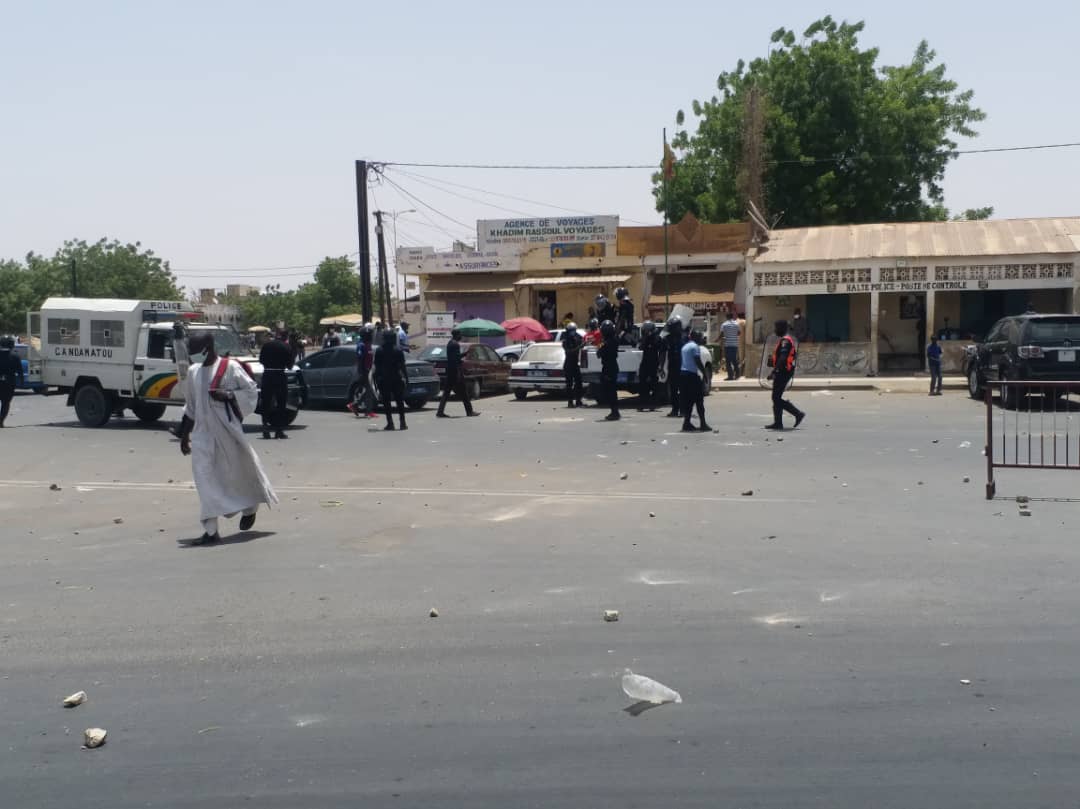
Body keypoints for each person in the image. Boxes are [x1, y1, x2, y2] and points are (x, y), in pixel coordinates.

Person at [177, 332, 278, 544]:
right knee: (204, 480)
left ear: (208, 348)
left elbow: (250, 392)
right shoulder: (194, 372)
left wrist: (229, 395)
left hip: (227, 432)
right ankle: (211, 531)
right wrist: (184, 435)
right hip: (202, 436)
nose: (193, 356)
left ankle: (250, 507)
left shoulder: (229, 367)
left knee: (238, 473)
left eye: (196, 351)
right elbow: (191, 407)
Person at [765, 320, 805, 431]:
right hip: (783, 371)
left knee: (776, 398)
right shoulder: (785, 340)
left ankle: (798, 413)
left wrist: (774, 371)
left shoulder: (785, 341)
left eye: (776, 327)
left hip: (783, 372)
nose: (775, 330)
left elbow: (783, 358)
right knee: (776, 397)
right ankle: (778, 423)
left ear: (782, 328)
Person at [436, 328, 479, 418]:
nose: (461, 336)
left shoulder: (450, 343)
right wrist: (466, 354)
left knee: (447, 393)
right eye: (460, 335)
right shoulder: (455, 344)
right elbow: (456, 359)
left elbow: (454, 357)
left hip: (451, 371)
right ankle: (469, 411)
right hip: (455, 371)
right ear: (457, 335)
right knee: (464, 393)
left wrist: (463, 355)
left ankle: (440, 412)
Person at [258, 331, 293, 440]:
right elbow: (290, 365)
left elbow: (261, 360)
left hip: (268, 375)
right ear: (285, 337)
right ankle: (279, 430)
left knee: (266, 403)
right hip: (279, 375)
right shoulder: (286, 347)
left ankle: (265, 429)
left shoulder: (266, 346)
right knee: (281, 403)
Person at [374, 329, 408, 430]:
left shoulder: (380, 350)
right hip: (396, 378)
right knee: (399, 401)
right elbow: (402, 366)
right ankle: (402, 423)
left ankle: (390, 423)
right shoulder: (398, 350)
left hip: (384, 379)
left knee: (387, 402)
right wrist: (406, 377)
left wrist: (376, 380)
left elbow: (377, 367)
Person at [680, 329, 711, 432]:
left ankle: (686, 423)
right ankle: (703, 424)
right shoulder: (695, 347)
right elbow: (697, 360)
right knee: (699, 400)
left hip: (683, 375)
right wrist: (704, 374)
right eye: (700, 337)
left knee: (689, 401)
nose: (702, 339)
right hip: (691, 376)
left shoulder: (685, 346)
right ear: (696, 337)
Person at [349, 325, 377, 418]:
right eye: (369, 334)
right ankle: (365, 409)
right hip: (364, 371)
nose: (371, 336)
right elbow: (360, 358)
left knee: (368, 391)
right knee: (369, 391)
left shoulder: (368, 344)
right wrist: (362, 371)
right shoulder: (361, 345)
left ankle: (357, 406)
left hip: (369, 370)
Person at [660, 315, 685, 418]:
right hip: (673, 366)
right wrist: (661, 367)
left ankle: (683, 410)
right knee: (674, 390)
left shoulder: (685, 338)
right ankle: (675, 410)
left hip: (683, 367)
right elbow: (662, 354)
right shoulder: (666, 339)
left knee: (683, 390)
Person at [598, 320, 620, 421]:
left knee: (610, 391)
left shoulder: (606, 342)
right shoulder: (614, 340)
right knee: (611, 390)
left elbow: (599, 354)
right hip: (612, 367)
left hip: (608, 368)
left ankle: (614, 412)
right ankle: (614, 411)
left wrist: (601, 343)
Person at [636, 320, 661, 412]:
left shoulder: (657, 338)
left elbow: (661, 349)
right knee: (642, 384)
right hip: (645, 363)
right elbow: (640, 347)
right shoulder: (643, 338)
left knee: (654, 385)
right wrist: (646, 338)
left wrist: (660, 366)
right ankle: (642, 404)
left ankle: (653, 404)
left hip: (654, 363)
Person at [0, 336, 25, 428]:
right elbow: (20, 372)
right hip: (9, 383)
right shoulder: (15, 357)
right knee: (5, 403)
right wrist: (22, 383)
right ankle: (1, 421)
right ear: (12, 345)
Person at [561, 323, 584, 408]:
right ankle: (570, 402)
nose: (573, 332)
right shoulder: (565, 339)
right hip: (568, 364)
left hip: (575, 364)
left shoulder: (577, 336)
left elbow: (582, 340)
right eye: (571, 330)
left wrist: (585, 342)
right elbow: (569, 351)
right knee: (569, 384)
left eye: (574, 330)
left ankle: (578, 401)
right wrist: (579, 347)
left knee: (579, 383)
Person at [721, 310, 741, 380]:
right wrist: (733, 335)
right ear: (732, 317)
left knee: (728, 361)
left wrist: (718, 339)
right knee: (734, 359)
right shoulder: (736, 324)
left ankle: (730, 376)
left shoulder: (724, 324)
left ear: (726, 317)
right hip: (735, 344)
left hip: (727, 345)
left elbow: (722, 334)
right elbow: (739, 333)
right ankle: (738, 374)